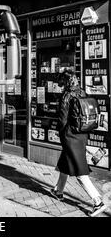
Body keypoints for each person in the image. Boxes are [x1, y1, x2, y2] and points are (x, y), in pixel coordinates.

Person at [50, 70, 107, 217]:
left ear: (65, 82)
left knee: (80, 172)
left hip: (70, 137)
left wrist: (61, 136)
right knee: (65, 164)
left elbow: (62, 120)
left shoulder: (67, 96)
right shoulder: (82, 92)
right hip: (82, 134)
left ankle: (98, 202)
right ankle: (58, 191)